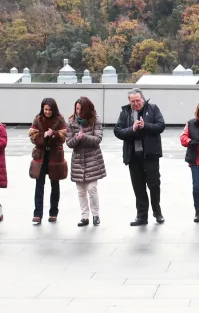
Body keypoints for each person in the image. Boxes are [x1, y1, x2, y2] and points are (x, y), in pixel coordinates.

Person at [114, 88, 166, 226]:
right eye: (132, 101)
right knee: (138, 187)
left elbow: (161, 126)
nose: (135, 103)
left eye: (137, 100)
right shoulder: (125, 112)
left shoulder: (153, 108)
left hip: (150, 155)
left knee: (154, 185)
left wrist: (145, 126)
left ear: (143, 99)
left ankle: (157, 211)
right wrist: (132, 129)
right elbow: (117, 131)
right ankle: (142, 216)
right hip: (133, 156)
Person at [67, 96, 106, 228]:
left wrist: (84, 137)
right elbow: (69, 143)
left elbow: (97, 139)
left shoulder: (95, 120)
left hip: (92, 159)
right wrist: (77, 139)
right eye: (77, 109)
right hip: (78, 161)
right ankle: (84, 217)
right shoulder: (71, 122)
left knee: (92, 189)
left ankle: (96, 215)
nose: (78, 112)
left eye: (81, 109)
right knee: (81, 191)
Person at [29, 97, 67, 224]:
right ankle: (37, 214)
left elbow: (64, 136)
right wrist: (42, 136)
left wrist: (54, 134)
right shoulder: (38, 118)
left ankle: (53, 212)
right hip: (41, 156)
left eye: (50, 110)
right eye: (45, 109)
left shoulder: (60, 119)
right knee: (39, 185)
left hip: (54, 155)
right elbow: (32, 135)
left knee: (54, 185)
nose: (47, 112)